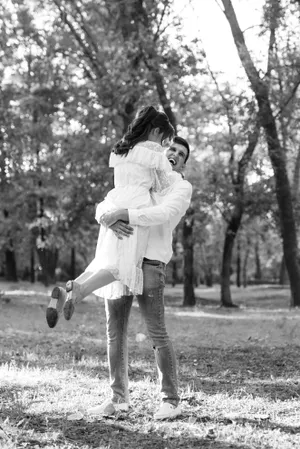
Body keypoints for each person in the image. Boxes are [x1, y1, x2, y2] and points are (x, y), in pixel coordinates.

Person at [87, 136, 192, 420]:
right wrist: (105, 215)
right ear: (160, 152)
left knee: (157, 333)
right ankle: (118, 399)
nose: (175, 154)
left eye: (181, 154)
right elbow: (107, 203)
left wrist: (124, 214)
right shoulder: (141, 176)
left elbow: (163, 213)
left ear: (183, 163)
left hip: (150, 264)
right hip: (122, 260)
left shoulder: (181, 187)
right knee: (115, 333)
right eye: (171, 148)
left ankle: (170, 400)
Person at [46, 105, 175, 328]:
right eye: (164, 138)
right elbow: (164, 187)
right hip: (134, 209)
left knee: (106, 261)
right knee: (122, 267)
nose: (163, 144)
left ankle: (70, 287)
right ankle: (79, 290)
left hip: (114, 204)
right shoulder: (154, 152)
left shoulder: (121, 150)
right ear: (156, 131)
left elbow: (122, 181)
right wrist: (168, 167)